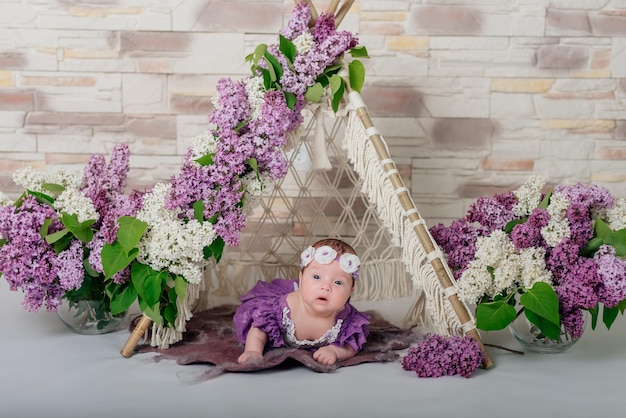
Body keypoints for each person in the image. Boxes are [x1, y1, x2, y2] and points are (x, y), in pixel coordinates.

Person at [233, 238, 370, 366]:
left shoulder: (347, 321)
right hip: (282, 306)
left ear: (351, 289)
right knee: (257, 322)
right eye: (316, 277)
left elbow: (351, 346)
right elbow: (259, 329)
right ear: (301, 277)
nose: (326, 287)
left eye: (338, 282)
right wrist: (253, 351)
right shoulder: (281, 310)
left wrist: (335, 351)